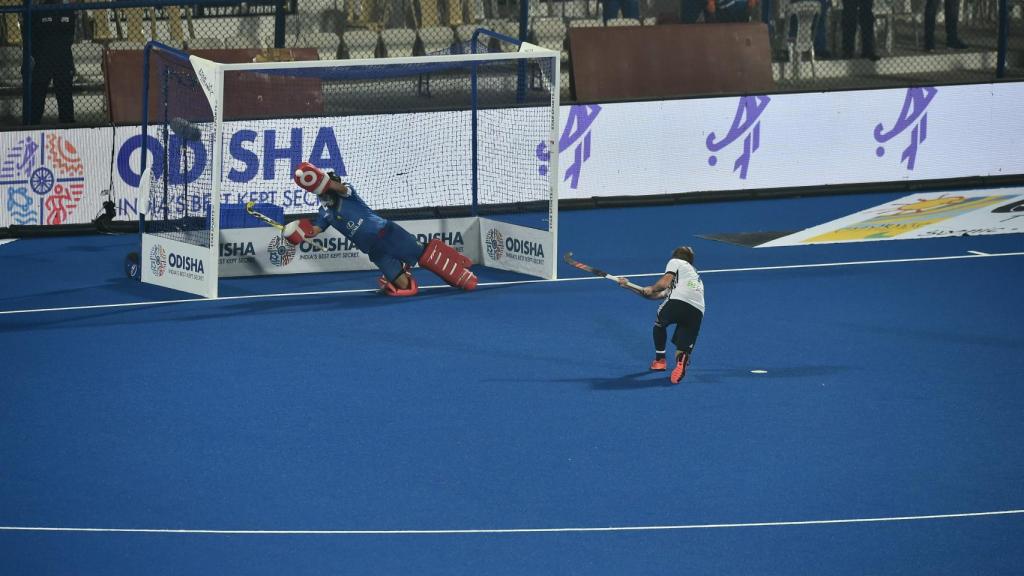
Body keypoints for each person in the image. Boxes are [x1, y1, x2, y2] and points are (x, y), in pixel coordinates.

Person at [287, 162, 477, 296]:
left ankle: (461, 274)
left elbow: (340, 188)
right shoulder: (324, 212)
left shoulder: (348, 194)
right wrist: (302, 232)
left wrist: (323, 181)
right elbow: (316, 229)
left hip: (388, 234)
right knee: (405, 287)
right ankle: (396, 275)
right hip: (376, 252)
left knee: (426, 257)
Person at [618, 246, 705, 384]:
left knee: (660, 323)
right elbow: (654, 295)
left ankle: (660, 360)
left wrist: (652, 288)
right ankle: (681, 360)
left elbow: (663, 283)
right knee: (682, 350)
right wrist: (628, 285)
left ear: (677, 255)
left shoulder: (676, 262)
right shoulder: (691, 276)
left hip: (678, 303)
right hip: (697, 311)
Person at [29, 0, 77, 125]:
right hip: (43, 59)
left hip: (63, 59)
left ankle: (68, 126)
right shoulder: (38, 10)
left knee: (65, 95)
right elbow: (32, 36)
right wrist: (38, 55)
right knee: (37, 95)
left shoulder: (67, 10)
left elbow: (70, 35)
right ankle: (32, 124)